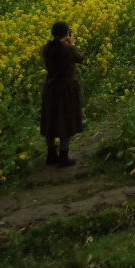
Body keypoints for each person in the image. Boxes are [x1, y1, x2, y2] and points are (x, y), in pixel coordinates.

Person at [39, 22, 84, 168]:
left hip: (51, 88)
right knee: (66, 119)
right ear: (67, 33)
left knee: (51, 119)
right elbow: (80, 58)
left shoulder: (47, 48)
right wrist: (72, 43)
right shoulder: (68, 49)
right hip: (66, 88)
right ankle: (63, 156)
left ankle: (51, 154)